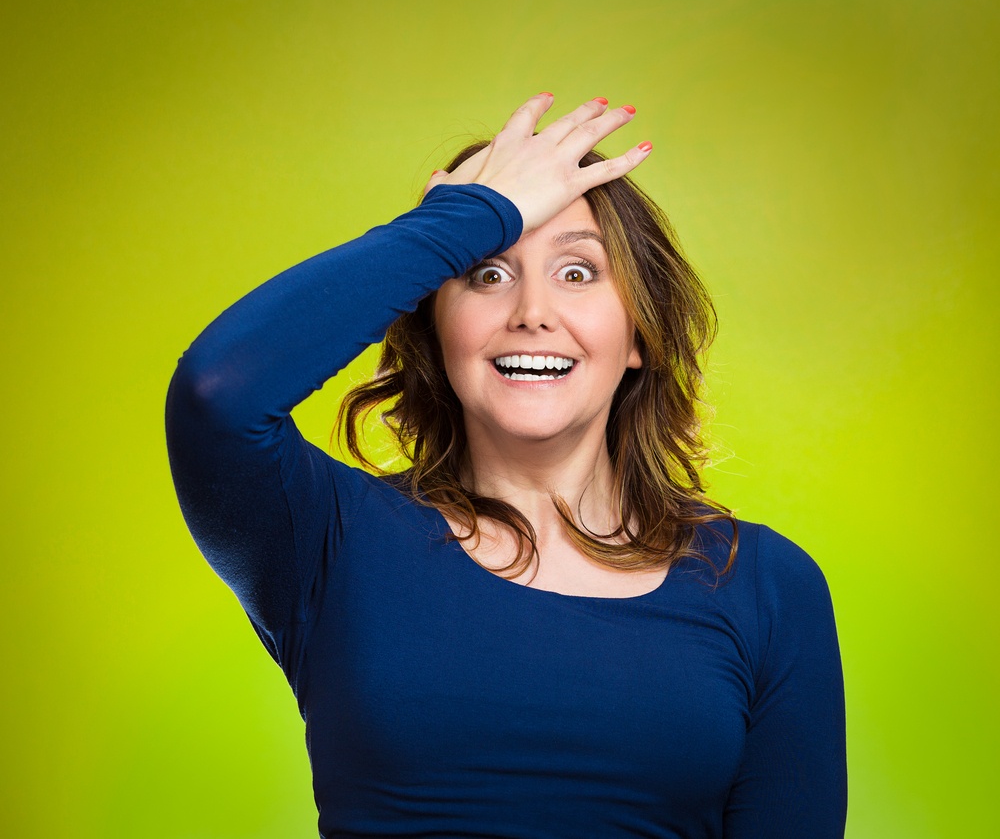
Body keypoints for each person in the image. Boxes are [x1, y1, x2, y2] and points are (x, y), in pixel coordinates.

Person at [166, 93, 847, 838]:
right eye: (486, 274)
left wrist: (478, 237)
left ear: (638, 337)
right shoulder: (328, 540)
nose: (531, 311)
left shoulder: (767, 586)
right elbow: (219, 394)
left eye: (578, 273)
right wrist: (455, 224)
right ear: (435, 324)